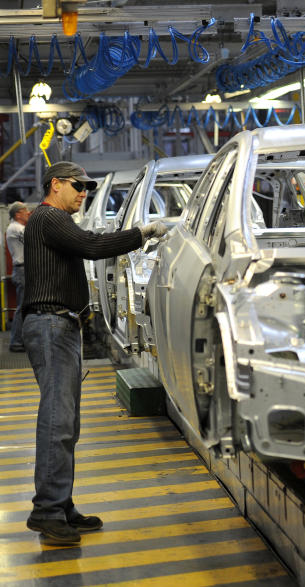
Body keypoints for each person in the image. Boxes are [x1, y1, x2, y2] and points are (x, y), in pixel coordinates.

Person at [22, 161, 168, 545]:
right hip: (51, 325)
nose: (84, 192)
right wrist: (144, 231)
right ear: (55, 185)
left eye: (88, 186)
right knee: (57, 421)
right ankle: (47, 512)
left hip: (60, 325)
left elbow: (88, 240)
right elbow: (92, 246)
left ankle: (60, 505)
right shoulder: (48, 217)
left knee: (67, 424)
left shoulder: (55, 221)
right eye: (78, 185)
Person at [6, 201, 30, 352]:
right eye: (25, 210)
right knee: (22, 308)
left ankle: (22, 340)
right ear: (17, 214)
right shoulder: (16, 227)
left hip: (24, 270)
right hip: (22, 271)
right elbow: (35, 237)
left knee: (25, 307)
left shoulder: (18, 227)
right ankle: (16, 342)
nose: (28, 212)